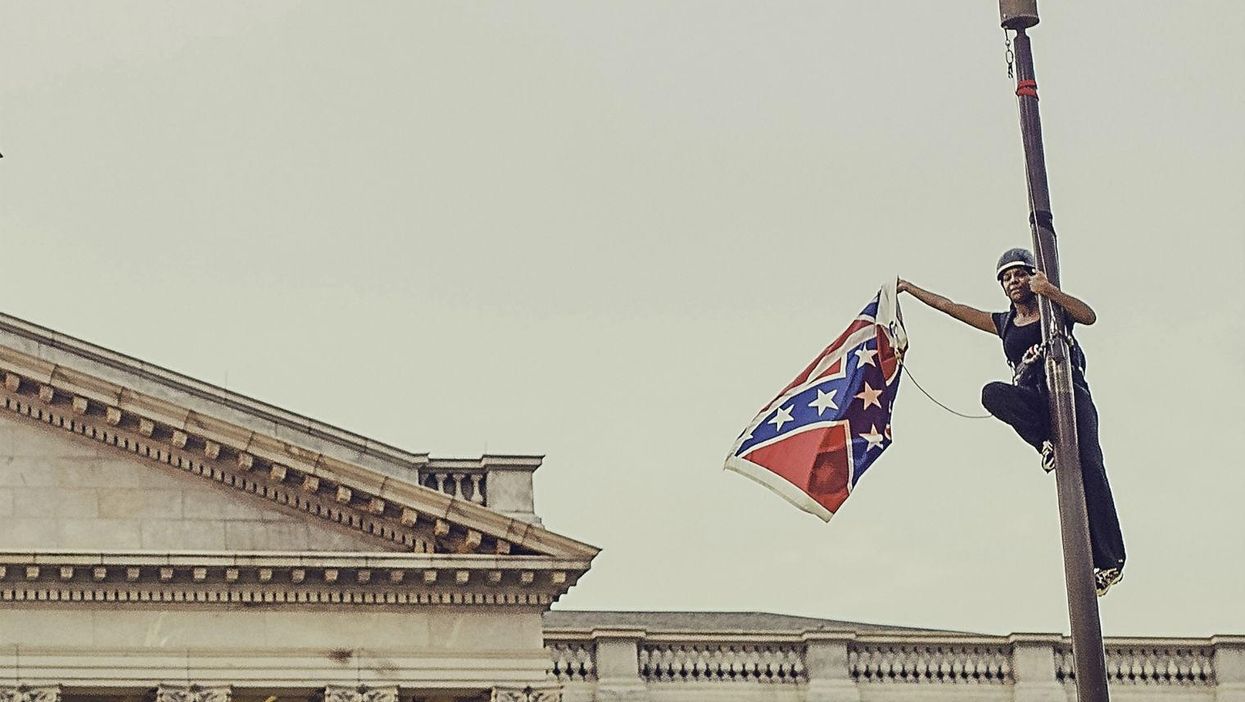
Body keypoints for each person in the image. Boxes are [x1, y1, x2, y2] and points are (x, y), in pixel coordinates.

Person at [897, 248, 1126, 597]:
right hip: (1033, 398)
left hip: (1070, 394)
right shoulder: (1003, 322)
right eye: (1006, 277)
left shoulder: (1053, 311)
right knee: (992, 393)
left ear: (1032, 276)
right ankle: (1044, 442)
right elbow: (951, 306)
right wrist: (910, 288)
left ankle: (1109, 561)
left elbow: (1089, 316)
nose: (1013, 281)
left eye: (1019, 274)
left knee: (1091, 467)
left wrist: (1050, 291)